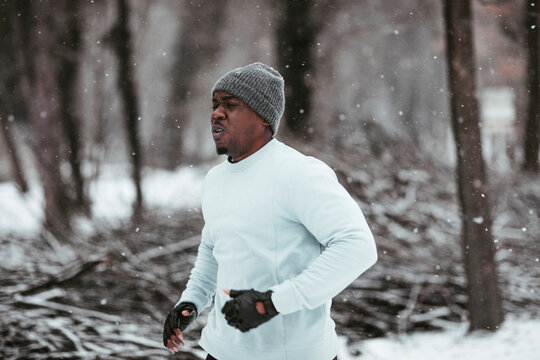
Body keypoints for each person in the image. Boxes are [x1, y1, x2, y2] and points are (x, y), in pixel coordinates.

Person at [162, 62, 377, 360]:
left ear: (263, 117)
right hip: (221, 351)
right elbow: (214, 248)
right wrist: (191, 302)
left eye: (230, 105)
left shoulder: (298, 173)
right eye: (214, 105)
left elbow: (358, 246)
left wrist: (274, 302)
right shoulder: (215, 180)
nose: (216, 113)